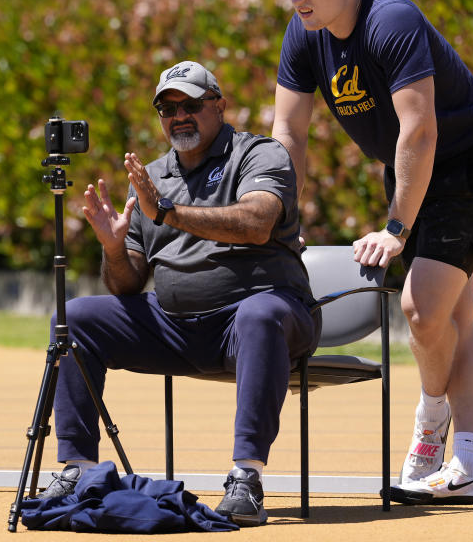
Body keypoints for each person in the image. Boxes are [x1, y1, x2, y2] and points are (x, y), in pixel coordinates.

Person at [270, 0, 473, 504]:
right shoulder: (304, 36)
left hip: (465, 164)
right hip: (412, 166)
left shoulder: (391, 21)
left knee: (422, 311)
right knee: (456, 318)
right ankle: (472, 463)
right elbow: (289, 132)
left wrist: (396, 228)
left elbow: (420, 128)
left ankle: (431, 422)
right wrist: (283, 213)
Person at [40, 60, 320, 527]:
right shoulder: (152, 177)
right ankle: (79, 470)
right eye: (167, 109)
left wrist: (168, 212)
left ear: (220, 105)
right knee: (77, 317)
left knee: (259, 314)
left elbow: (255, 224)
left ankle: (245, 477)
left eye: (191, 104)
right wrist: (113, 248)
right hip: (176, 325)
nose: (179, 116)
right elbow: (128, 283)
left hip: (260, 317)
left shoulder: (258, 155)